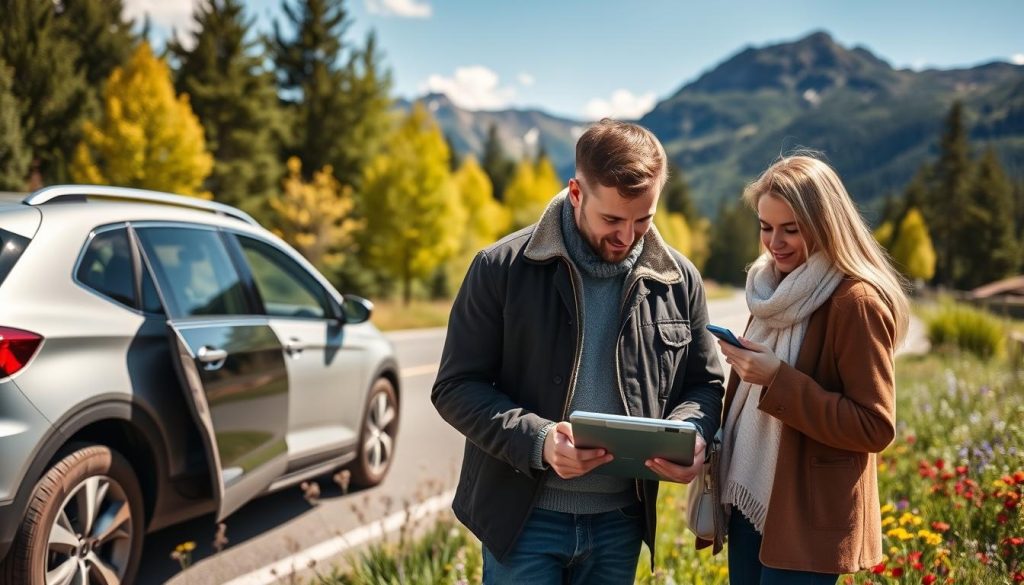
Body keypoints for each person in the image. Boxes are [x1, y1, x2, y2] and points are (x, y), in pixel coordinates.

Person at [432, 118, 725, 584]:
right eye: (611, 219)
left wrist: (693, 431)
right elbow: (454, 387)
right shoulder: (500, 269)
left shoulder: (679, 280)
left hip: (621, 525)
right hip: (522, 523)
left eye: (643, 220)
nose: (628, 237)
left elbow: (704, 383)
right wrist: (539, 440)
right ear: (575, 193)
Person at [713, 154, 910, 584]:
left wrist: (776, 379)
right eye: (766, 227)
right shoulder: (770, 292)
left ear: (826, 225)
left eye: (791, 229)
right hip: (749, 494)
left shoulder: (856, 302)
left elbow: (874, 427)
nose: (774, 243)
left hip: (808, 515)